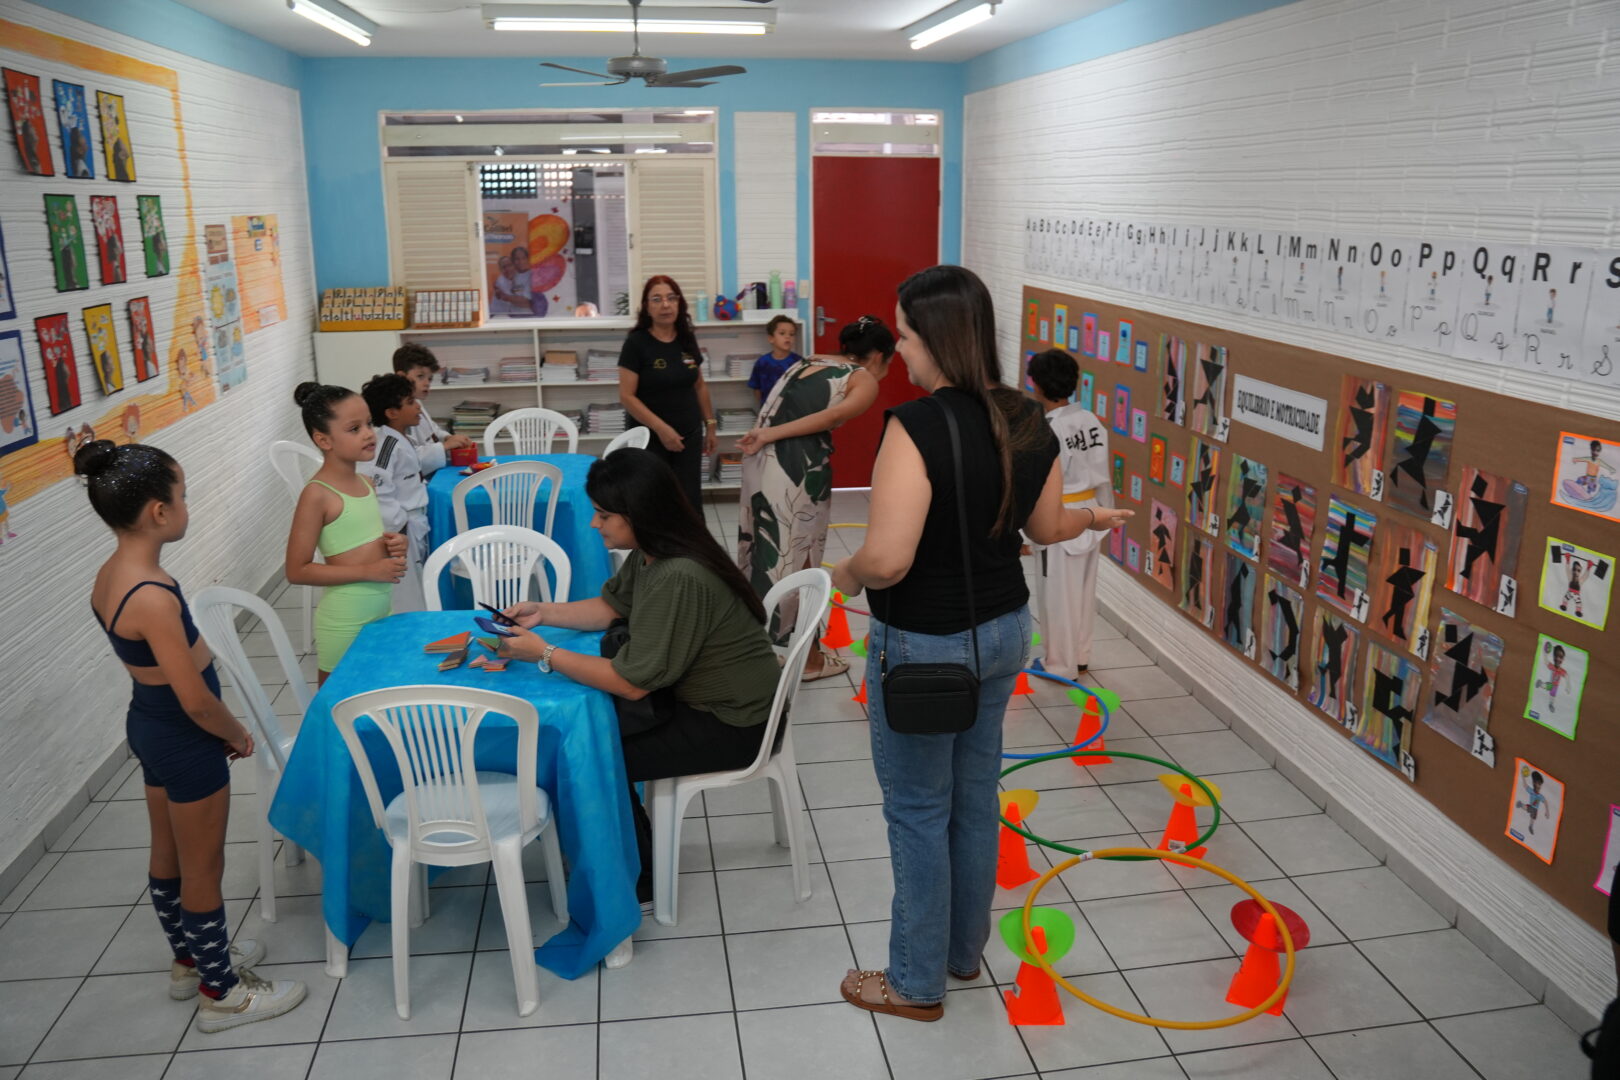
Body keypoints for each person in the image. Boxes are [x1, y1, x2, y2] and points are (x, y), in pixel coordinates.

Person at [829, 266, 1132, 1021]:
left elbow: (890, 557)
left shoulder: (916, 427)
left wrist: (846, 574)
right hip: (1003, 633)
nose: (896, 350)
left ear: (934, 337)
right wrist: (1094, 520)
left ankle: (915, 982)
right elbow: (1048, 528)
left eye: (902, 334)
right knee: (972, 799)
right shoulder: (1028, 417)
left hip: (928, 643)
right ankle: (963, 957)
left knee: (918, 810)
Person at [76, 439, 306, 1032]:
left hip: (148, 726)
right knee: (204, 868)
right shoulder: (151, 593)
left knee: (167, 855)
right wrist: (236, 733)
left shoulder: (115, 574)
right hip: (183, 735)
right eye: (183, 496)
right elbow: (196, 698)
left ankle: (189, 963)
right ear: (158, 511)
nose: (187, 506)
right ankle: (223, 994)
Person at [494, 449, 781, 908]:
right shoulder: (654, 553)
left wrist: (544, 652)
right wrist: (542, 613)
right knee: (588, 735)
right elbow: (610, 608)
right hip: (705, 700)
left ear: (640, 514)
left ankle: (635, 878)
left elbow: (632, 684)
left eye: (604, 515)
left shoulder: (678, 574)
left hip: (735, 722)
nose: (594, 525)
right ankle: (622, 856)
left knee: (592, 754)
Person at [736, 315, 891, 680]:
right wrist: (770, 435)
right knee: (799, 560)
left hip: (761, 463)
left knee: (761, 552)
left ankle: (763, 647)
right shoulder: (861, 377)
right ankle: (805, 660)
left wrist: (764, 436)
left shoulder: (811, 359)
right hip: (795, 470)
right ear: (880, 356)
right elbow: (831, 416)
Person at [284, 383, 407, 682]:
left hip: (381, 610)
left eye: (369, 424)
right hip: (344, 620)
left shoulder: (367, 483)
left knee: (374, 699)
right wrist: (370, 569)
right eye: (354, 429)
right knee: (338, 711)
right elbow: (296, 570)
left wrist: (393, 544)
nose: (368, 433)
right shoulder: (317, 494)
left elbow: (355, 542)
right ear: (323, 439)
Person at [1023, 348, 1111, 674]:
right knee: (1084, 591)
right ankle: (1081, 655)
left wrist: (1024, 531)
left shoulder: (1046, 428)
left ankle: (1059, 664)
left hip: (1058, 515)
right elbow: (1104, 475)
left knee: (1057, 595)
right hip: (1092, 511)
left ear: (1037, 385)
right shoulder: (1091, 421)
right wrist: (1106, 515)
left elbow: (1038, 483)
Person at [617, 275, 716, 512]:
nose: (665, 305)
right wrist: (663, 430)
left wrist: (710, 424)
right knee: (654, 501)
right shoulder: (636, 343)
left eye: (672, 298)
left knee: (689, 500)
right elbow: (627, 396)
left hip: (688, 435)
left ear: (679, 303)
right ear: (647, 307)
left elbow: (699, 385)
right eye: (657, 299)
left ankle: (691, 549)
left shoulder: (686, 338)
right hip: (650, 436)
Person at [361, 373, 431, 613]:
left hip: (413, 521)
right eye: (411, 402)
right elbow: (378, 489)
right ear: (392, 413)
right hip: (401, 528)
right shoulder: (387, 445)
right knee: (406, 593)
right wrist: (398, 524)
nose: (418, 406)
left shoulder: (402, 439)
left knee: (417, 584)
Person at [392, 343, 473, 475]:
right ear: (401, 376)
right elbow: (409, 457)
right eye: (420, 376)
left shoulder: (417, 402)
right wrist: (444, 446)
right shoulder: (399, 413)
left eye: (430, 378)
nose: (427, 383)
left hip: (434, 471)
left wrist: (449, 438)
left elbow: (433, 431)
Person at [746, 315, 804, 406]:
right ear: (771, 338)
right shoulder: (762, 362)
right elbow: (757, 389)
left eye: (791, 334)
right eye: (782, 333)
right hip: (768, 411)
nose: (788, 337)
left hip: (793, 411)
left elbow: (803, 390)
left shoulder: (799, 362)